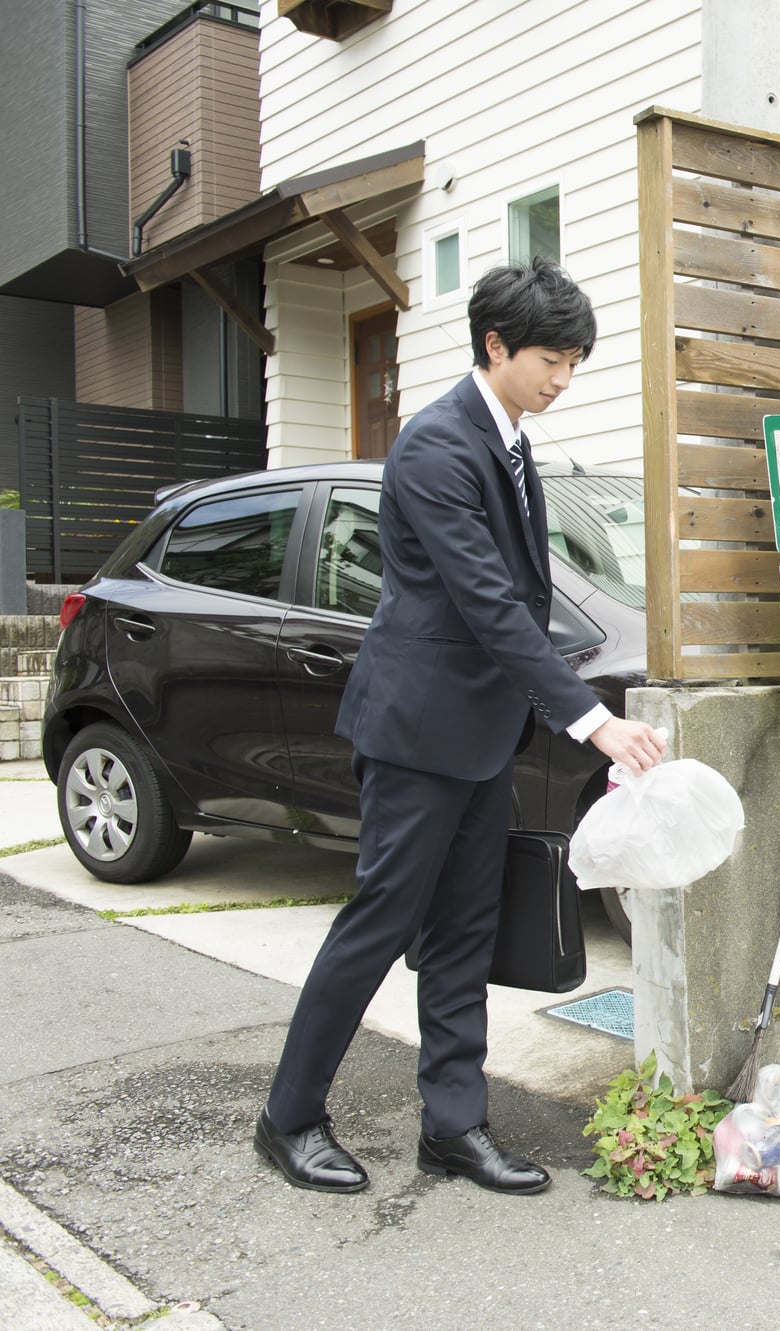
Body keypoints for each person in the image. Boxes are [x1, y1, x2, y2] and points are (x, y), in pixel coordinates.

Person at [255, 260, 665, 1195]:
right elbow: (488, 601)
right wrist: (589, 718)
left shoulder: (511, 439)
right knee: (379, 922)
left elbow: (524, 594)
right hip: (416, 731)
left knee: (463, 931)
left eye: (575, 361)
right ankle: (287, 1116)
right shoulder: (439, 445)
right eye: (551, 360)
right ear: (496, 345)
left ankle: (453, 1124)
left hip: (480, 733)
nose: (563, 378)